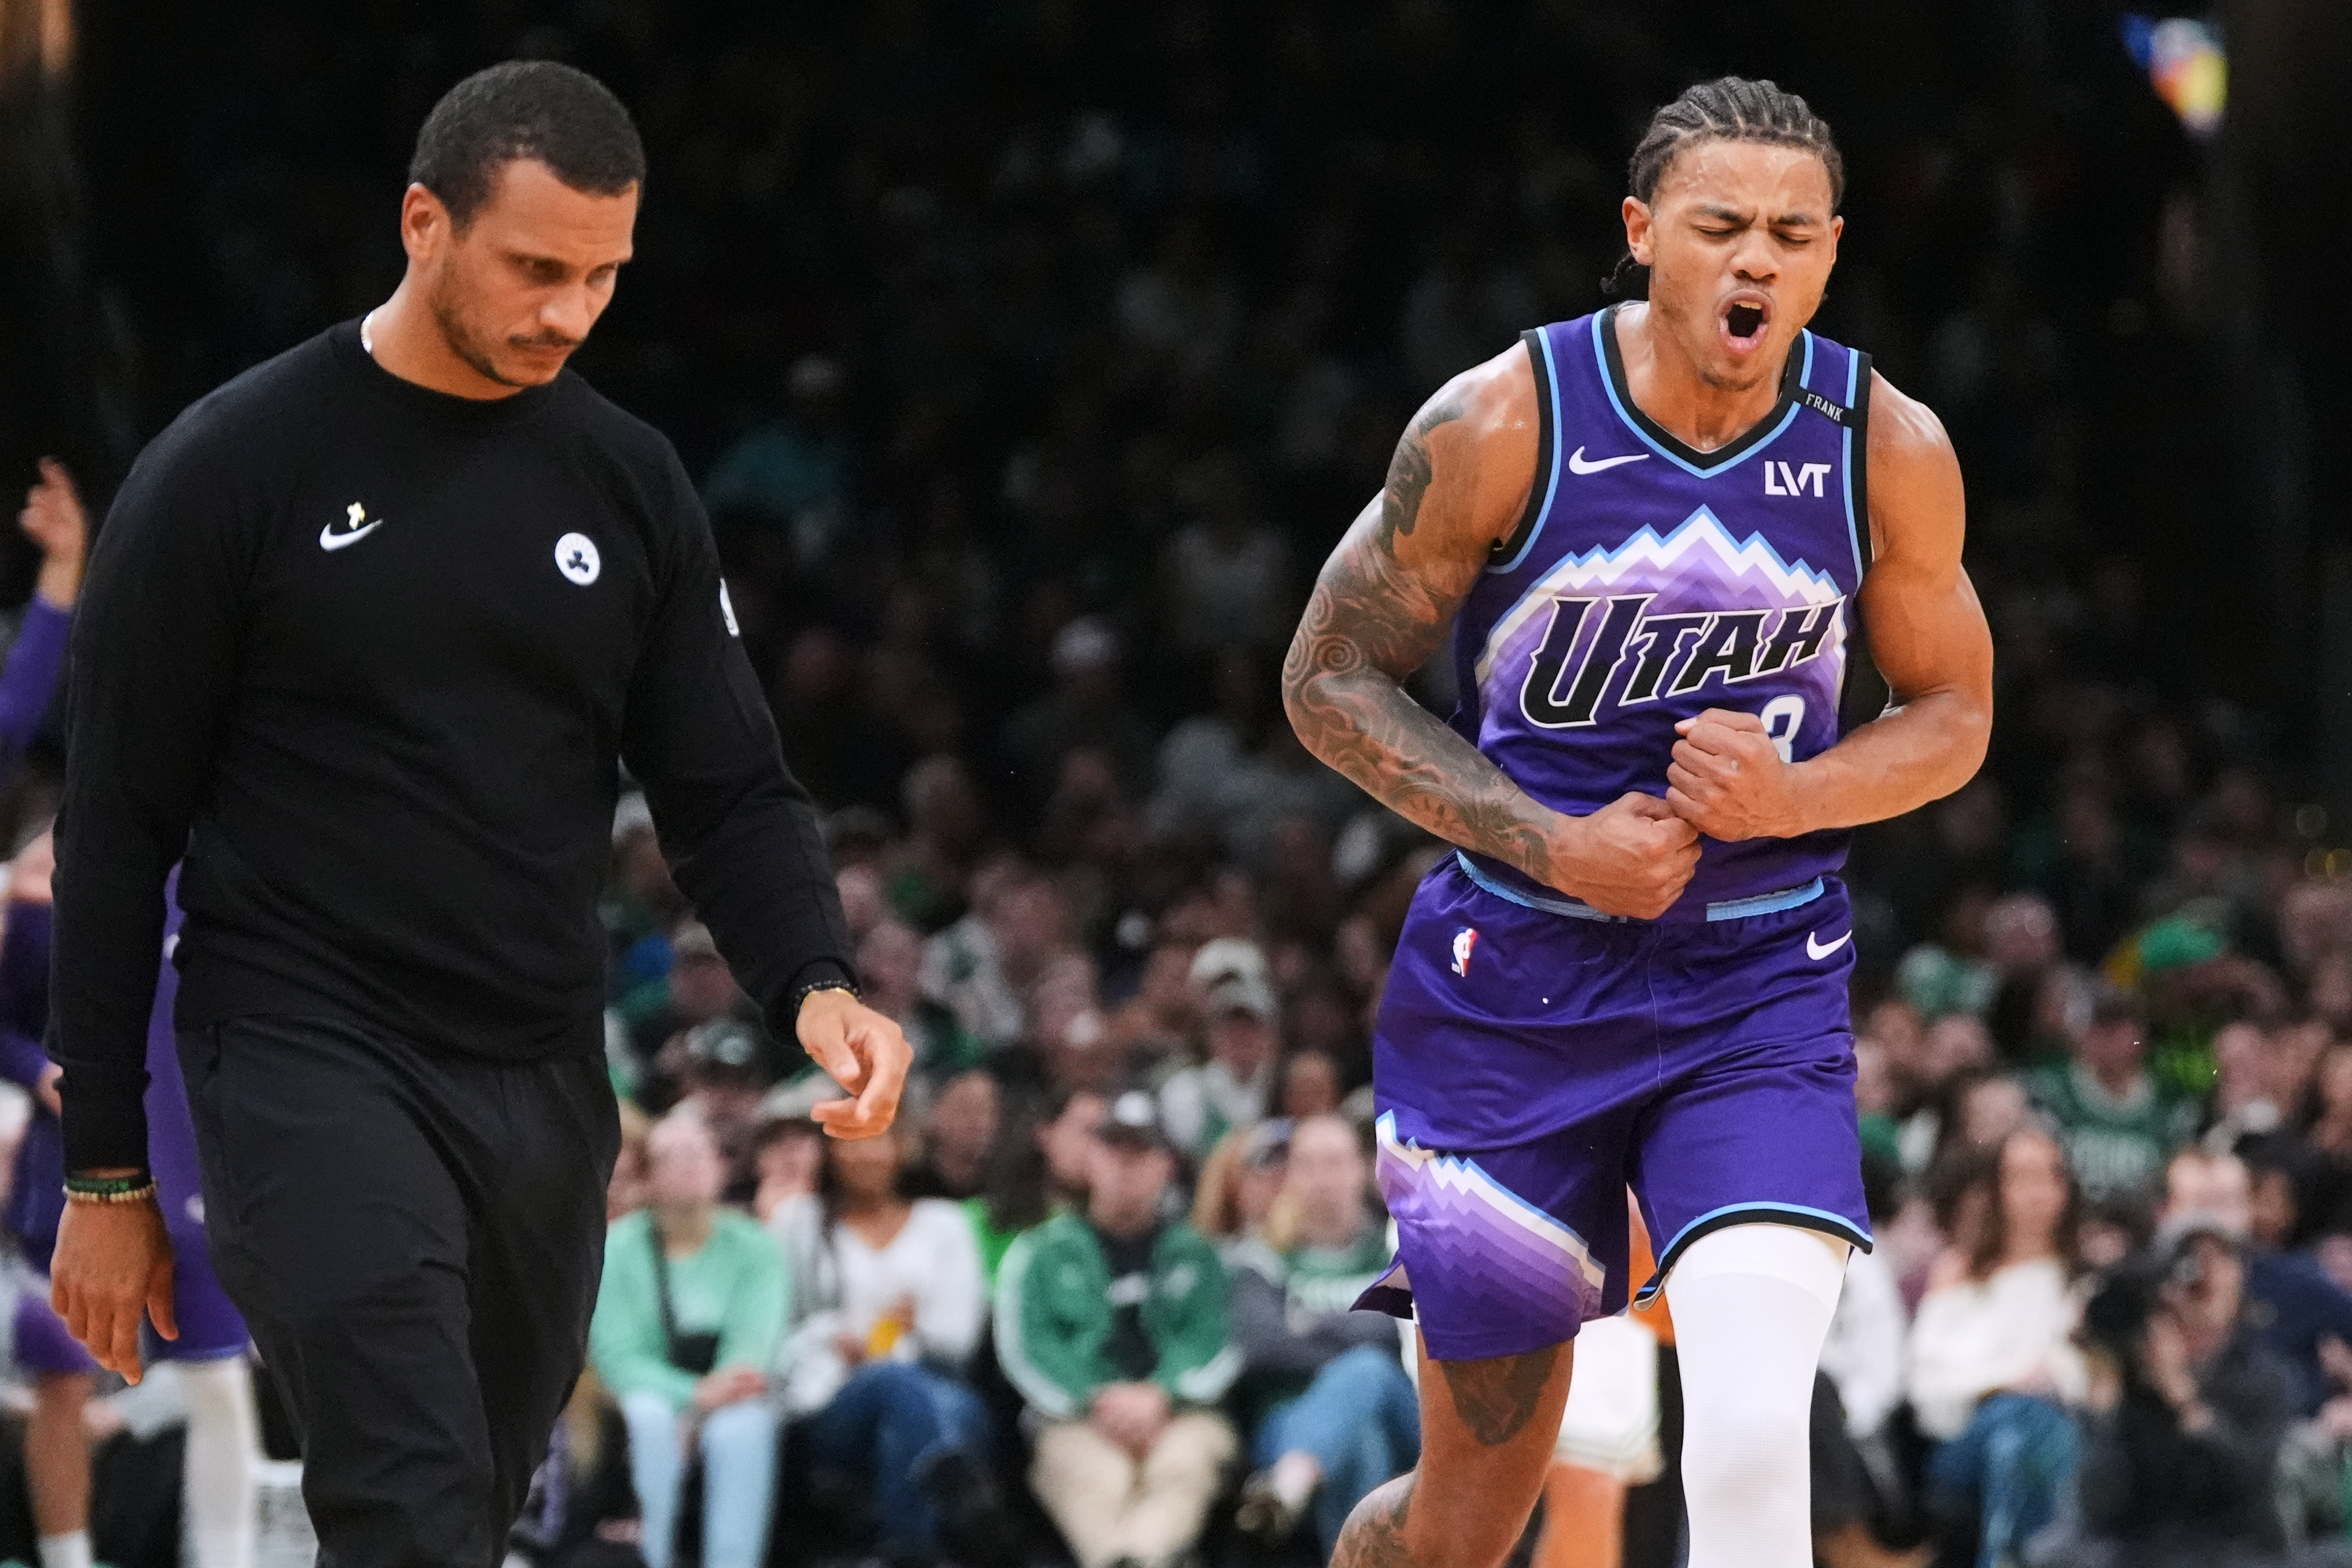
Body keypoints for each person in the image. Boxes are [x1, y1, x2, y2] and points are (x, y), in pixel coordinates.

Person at [45, 61, 910, 1568]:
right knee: (414, 1497)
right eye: (534, 267)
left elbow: (727, 783)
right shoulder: (226, 472)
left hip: (537, 1076)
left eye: (601, 277)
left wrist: (814, 976)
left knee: (468, 1506)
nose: (570, 311)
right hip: (300, 1048)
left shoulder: (628, 481)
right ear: (423, 222)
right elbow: (114, 832)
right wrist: (107, 1167)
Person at [1278, 76, 1992, 1568]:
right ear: (1638, 232)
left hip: (1753, 985)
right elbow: (1325, 676)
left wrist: (1793, 796)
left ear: (1831, 252)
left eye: (1790, 236)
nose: (1754, 262)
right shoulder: (1500, 420)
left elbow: (1952, 713)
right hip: (1511, 991)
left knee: (1744, 1446)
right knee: (1459, 1532)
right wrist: (1551, 841)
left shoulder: (1884, 447)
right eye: (1719, 226)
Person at [994, 1090, 1241, 1568]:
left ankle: (1128, 1559)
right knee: (1098, 1477)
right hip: (1073, 1418)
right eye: (1113, 1150)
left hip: (1183, 1413)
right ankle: (1145, 1558)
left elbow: (1221, 1341)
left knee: (1183, 1463)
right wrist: (1096, 1397)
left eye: (1141, 1152)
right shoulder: (1040, 1252)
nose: (1125, 1166)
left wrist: (1160, 1394)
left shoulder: (1201, 1254)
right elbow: (1026, 1347)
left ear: (1165, 1167)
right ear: (1091, 1160)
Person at [769, 1120, 1008, 1566]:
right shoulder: (798, 1222)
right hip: (835, 1396)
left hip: (940, 1383)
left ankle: (908, 1548)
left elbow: (959, 1339)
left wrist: (906, 1334)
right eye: (849, 1139)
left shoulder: (945, 1223)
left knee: (912, 1408)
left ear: (903, 1145)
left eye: (877, 1137)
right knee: (900, 1386)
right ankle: (957, 1494)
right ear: (829, 1148)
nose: (865, 1153)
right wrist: (829, 1335)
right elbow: (775, 1326)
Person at [588, 1110, 787, 1568]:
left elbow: (753, 1346)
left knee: (742, 1427)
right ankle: (647, 1557)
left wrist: (705, 1405)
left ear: (723, 1165)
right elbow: (618, 1357)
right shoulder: (615, 1248)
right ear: (647, 1176)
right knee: (646, 1415)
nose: (689, 1164)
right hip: (642, 1398)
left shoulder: (756, 1246)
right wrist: (692, 1393)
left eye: (700, 1152)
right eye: (671, 1156)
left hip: (731, 1396)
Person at [1230, 1115, 1418, 1558]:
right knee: (1362, 1436)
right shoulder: (1262, 1257)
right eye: (1307, 1164)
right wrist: (1363, 1325)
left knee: (1369, 1369)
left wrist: (1314, 1327)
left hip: (1403, 1412)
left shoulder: (1395, 1248)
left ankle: (1289, 1484)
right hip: (1288, 1420)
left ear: (1363, 1168)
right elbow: (1263, 1348)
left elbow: (1397, 1336)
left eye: (1334, 1162)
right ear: (1290, 1176)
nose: (1322, 1178)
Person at [1904, 1125, 2087, 1568]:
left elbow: (2087, 1381)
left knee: (2032, 1432)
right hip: (1960, 1444)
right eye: (2022, 1176)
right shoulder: (1958, 1272)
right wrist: (2008, 1381)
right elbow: (1927, 1389)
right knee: (2016, 1424)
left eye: (2050, 1176)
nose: (2038, 1192)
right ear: (1996, 1188)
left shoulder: (2083, 1279)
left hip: (2057, 1433)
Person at [2026, 987, 2199, 1200]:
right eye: (2098, 1028)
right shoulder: (2051, 1091)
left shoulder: (2171, 1104)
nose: (2108, 1040)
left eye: (2117, 1028)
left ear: (2139, 1034)